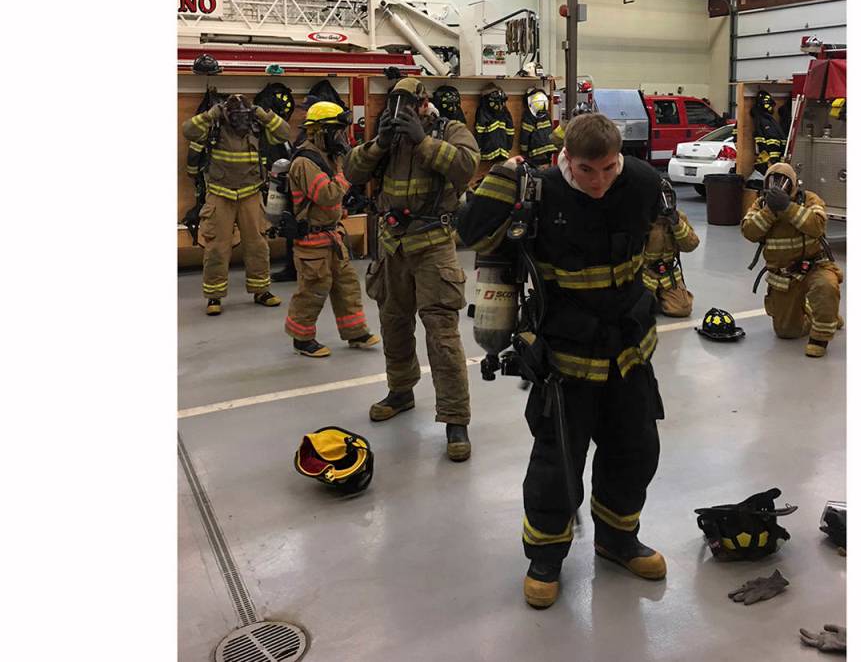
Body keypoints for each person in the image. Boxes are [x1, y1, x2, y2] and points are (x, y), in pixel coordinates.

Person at [457, 113, 667, 609]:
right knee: (557, 464)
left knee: (636, 450)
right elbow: (471, 231)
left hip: (630, 350)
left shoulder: (641, 182)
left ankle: (617, 540)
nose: (599, 183)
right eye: (587, 170)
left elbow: (664, 242)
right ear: (564, 159)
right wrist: (502, 179)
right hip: (565, 357)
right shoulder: (537, 193)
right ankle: (546, 557)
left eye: (609, 169)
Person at [343, 78, 481, 462]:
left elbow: (466, 167)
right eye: (394, 103)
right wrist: (380, 143)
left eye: (408, 102)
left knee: (442, 334)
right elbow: (352, 172)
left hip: (433, 246)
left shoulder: (449, 130)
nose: (400, 110)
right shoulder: (386, 138)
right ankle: (401, 391)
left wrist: (423, 141)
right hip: (392, 246)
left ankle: (456, 420)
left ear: (423, 103)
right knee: (393, 323)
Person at [283, 101, 381, 357]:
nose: (340, 137)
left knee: (346, 283)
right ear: (318, 131)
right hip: (311, 239)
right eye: (335, 131)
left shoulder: (330, 156)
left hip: (332, 234)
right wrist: (346, 175)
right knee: (313, 289)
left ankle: (355, 332)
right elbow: (325, 194)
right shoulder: (304, 161)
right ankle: (301, 339)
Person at [183, 94, 289, 315]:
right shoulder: (214, 124)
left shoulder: (257, 125)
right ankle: (214, 296)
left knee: (257, 245)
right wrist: (210, 114)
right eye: (235, 115)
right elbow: (188, 131)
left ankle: (261, 290)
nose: (240, 120)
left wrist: (262, 113)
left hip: (250, 193)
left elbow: (284, 133)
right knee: (216, 248)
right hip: (220, 194)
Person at [741, 162, 843, 357]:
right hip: (784, 275)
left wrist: (788, 207)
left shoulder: (809, 199)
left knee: (826, 286)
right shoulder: (761, 205)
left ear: (794, 184)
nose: (777, 185)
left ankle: (820, 337)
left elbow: (817, 227)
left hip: (815, 267)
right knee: (787, 332)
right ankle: (815, 314)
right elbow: (749, 232)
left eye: (783, 181)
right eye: (772, 181)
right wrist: (771, 210)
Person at [642, 179, 700, 317]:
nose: (666, 202)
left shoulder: (678, 218)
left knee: (682, 309)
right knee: (641, 311)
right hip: (643, 274)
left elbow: (691, 245)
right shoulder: (641, 219)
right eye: (661, 198)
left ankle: (660, 297)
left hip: (667, 274)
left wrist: (676, 224)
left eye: (668, 196)